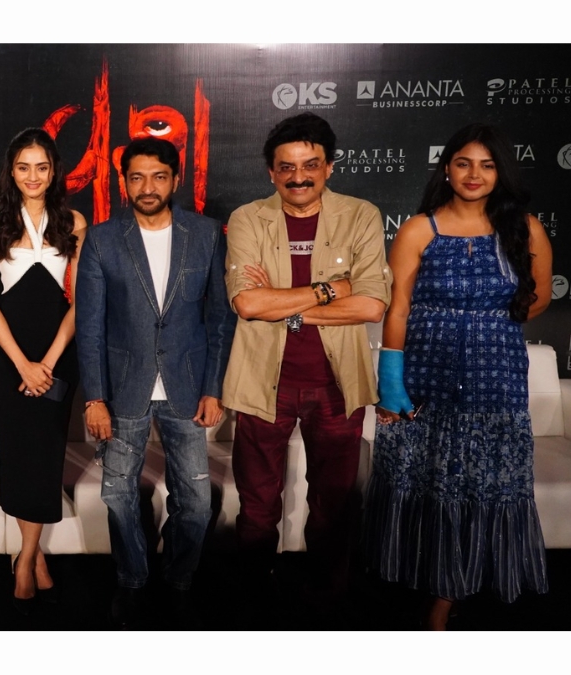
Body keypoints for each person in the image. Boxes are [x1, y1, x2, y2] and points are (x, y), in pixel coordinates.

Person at [364, 123, 552, 630]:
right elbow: (398, 308)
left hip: (497, 377)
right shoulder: (418, 229)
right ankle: (428, 583)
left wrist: (488, 323)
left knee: (487, 478)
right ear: (446, 168)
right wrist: (392, 383)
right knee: (426, 476)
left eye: (487, 165)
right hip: (427, 373)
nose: (474, 174)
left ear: (500, 173)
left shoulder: (524, 228)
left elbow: (539, 295)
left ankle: (453, 593)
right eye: (464, 163)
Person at [223, 113, 389, 622]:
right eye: (287, 167)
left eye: (310, 165)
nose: (299, 177)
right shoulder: (248, 218)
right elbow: (247, 303)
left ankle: (326, 604)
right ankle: (254, 600)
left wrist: (286, 307)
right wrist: (331, 289)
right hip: (262, 384)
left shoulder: (361, 215)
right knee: (256, 508)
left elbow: (371, 305)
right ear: (271, 172)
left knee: (333, 508)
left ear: (329, 167)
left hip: (338, 387)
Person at [76, 136, 235, 629]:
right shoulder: (103, 239)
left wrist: (214, 388)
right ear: (124, 182)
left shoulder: (205, 234)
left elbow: (219, 319)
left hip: (188, 386)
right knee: (118, 494)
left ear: (176, 179)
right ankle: (132, 580)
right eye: (137, 177)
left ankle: (180, 580)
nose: (148, 187)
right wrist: (94, 398)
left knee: (197, 501)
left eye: (159, 176)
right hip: (124, 387)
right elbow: (90, 326)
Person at [0, 128, 86, 614]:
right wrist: (23, 364)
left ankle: (26, 555)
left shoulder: (74, 223)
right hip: (10, 359)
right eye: (24, 167)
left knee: (46, 454)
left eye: (41, 167)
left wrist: (48, 362)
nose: (33, 176)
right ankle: (31, 556)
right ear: (12, 171)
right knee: (19, 454)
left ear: (54, 170)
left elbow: (79, 302)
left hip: (58, 354)